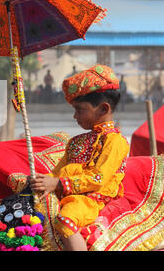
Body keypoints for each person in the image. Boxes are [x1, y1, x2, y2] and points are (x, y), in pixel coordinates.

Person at [30, 64, 129, 251]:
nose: (75, 116)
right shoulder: (75, 142)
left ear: (103, 109)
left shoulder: (116, 141)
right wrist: (42, 181)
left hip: (93, 199)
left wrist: (59, 184)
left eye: (80, 109)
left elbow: (98, 179)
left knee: (66, 220)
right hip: (69, 194)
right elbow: (56, 173)